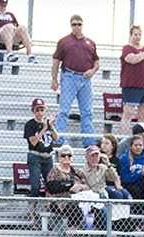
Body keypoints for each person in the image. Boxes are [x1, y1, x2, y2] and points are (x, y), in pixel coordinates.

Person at [51, 14, 100, 146]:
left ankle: (89, 141)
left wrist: (93, 71)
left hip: (85, 78)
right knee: (64, 110)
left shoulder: (90, 42)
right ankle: (59, 139)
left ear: (82, 25)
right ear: (70, 25)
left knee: (87, 111)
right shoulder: (64, 41)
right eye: (74, 24)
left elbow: (97, 61)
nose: (77, 27)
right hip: (69, 77)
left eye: (79, 24)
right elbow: (56, 61)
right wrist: (54, 79)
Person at [119, 25, 144, 135]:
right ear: (131, 35)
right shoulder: (127, 48)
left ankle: (141, 138)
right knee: (128, 113)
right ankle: (124, 137)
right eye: (135, 34)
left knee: (143, 114)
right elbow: (133, 59)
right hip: (132, 85)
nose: (137, 37)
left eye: (139, 34)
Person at [24, 98, 58, 199]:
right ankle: (32, 211)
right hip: (35, 156)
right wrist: (43, 128)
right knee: (35, 186)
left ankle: (51, 207)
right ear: (33, 111)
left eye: (42, 110)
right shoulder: (30, 124)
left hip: (48, 157)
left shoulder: (48, 123)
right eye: (37, 110)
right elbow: (33, 142)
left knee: (51, 184)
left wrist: (51, 127)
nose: (40, 112)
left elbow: (56, 138)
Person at [118, 132, 144, 199]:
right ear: (131, 146)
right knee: (136, 190)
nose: (138, 147)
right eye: (136, 145)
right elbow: (124, 178)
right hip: (130, 186)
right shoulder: (124, 158)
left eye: (140, 145)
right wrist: (140, 173)